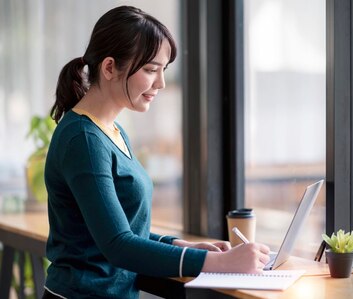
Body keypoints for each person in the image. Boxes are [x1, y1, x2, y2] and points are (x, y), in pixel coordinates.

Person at [43, 6, 270, 299]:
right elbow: (118, 244)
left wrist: (179, 245)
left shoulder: (110, 131)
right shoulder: (84, 140)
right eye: (151, 70)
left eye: (163, 70)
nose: (160, 83)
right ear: (110, 67)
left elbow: (121, 227)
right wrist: (218, 263)